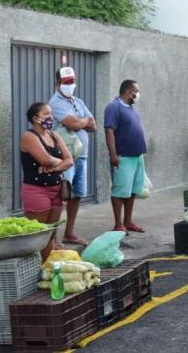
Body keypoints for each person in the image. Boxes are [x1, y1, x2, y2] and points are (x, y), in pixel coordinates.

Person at [49, 67, 96, 246]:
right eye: (66, 82)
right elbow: (74, 123)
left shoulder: (78, 101)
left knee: (77, 195)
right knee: (62, 195)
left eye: (72, 81)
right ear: (58, 84)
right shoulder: (55, 103)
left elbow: (94, 125)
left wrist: (80, 123)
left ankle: (69, 233)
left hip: (81, 155)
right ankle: (52, 238)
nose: (70, 85)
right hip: (64, 158)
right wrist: (82, 122)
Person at [20, 102, 74, 258]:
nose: (50, 117)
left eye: (51, 113)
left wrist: (54, 167)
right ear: (35, 118)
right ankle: (33, 271)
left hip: (56, 190)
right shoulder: (28, 136)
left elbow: (70, 160)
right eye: (46, 114)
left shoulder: (54, 135)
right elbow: (45, 160)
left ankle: (47, 269)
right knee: (37, 236)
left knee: (51, 234)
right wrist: (57, 161)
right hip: (37, 191)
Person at [104, 79, 147, 234]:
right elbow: (109, 131)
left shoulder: (132, 108)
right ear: (129, 92)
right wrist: (113, 154)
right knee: (120, 191)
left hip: (137, 155)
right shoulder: (114, 107)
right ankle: (118, 224)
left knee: (132, 190)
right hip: (123, 156)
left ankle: (128, 221)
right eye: (136, 91)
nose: (138, 94)